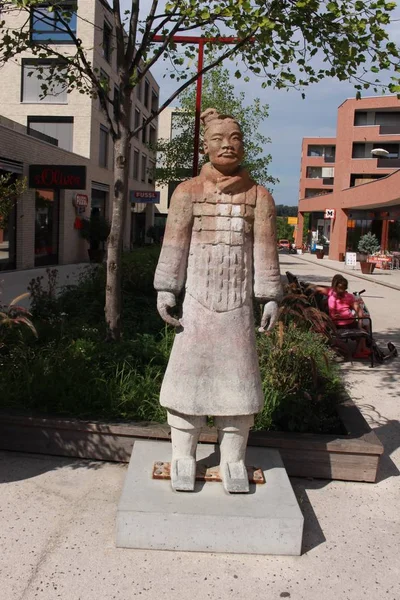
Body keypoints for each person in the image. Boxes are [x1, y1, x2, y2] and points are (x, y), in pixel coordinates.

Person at [154, 108, 283, 493]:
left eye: (235, 138)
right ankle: (183, 455)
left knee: (238, 386)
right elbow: (174, 243)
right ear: (205, 145)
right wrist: (166, 287)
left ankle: (233, 461)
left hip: (238, 309)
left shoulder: (259, 197)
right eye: (218, 139)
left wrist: (270, 296)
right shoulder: (187, 192)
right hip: (196, 306)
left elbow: (265, 252)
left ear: (244, 144)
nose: (227, 144)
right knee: (186, 383)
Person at [313, 275, 370, 358]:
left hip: (335, 324)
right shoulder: (349, 297)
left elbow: (317, 289)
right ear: (346, 287)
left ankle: (362, 348)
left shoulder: (331, 294)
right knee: (365, 326)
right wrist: (359, 325)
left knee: (362, 326)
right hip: (348, 323)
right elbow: (359, 310)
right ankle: (360, 350)